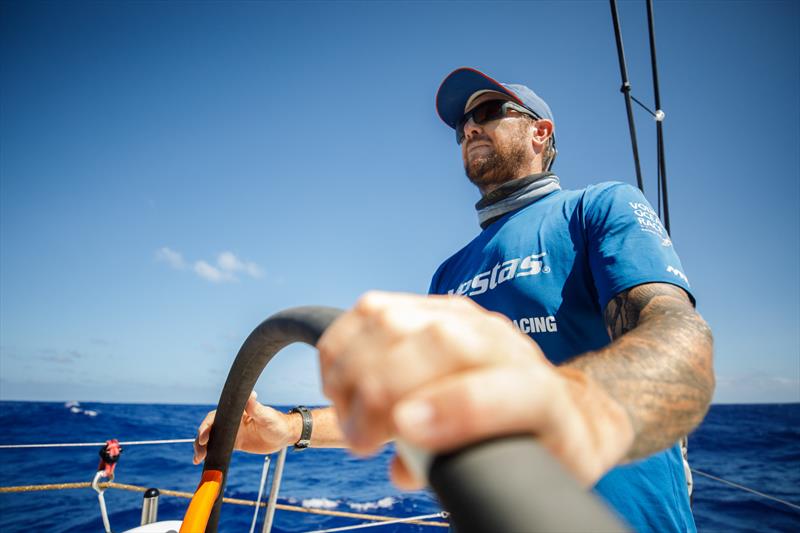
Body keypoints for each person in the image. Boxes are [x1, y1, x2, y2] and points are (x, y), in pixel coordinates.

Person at [194, 67, 714, 532]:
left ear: (540, 132)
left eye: (488, 111)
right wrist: (289, 427)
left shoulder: (598, 207)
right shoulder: (449, 271)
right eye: (462, 124)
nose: (468, 127)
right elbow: (418, 408)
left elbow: (680, 340)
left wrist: (568, 405)